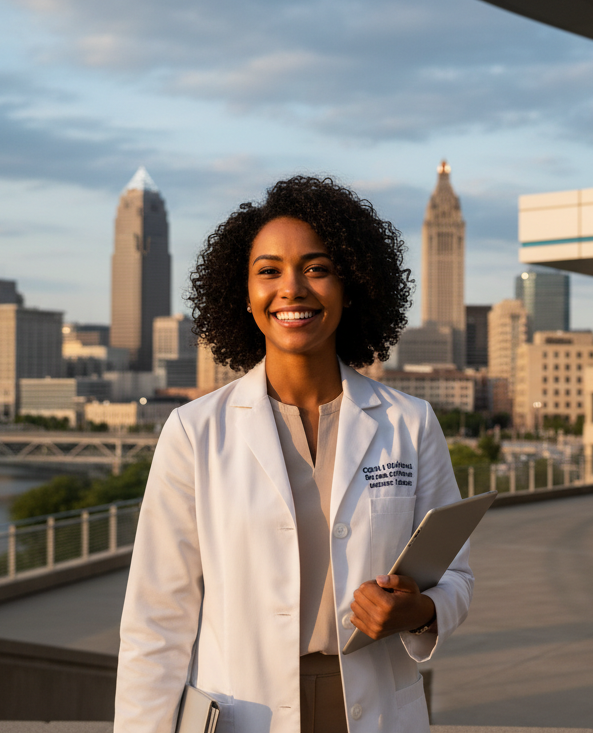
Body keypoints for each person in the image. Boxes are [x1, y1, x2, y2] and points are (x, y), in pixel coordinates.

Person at [114, 176, 473, 733]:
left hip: (372, 706)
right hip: (243, 711)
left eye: (316, 268)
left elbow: (456, 575)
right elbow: (155, 624)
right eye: (269, 271)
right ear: (245, 294)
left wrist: (420, 610)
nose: (292, 288)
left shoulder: (409, 423)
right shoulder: (194, 431)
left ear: (350, 286)